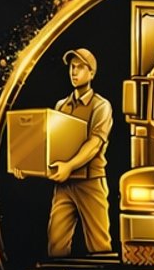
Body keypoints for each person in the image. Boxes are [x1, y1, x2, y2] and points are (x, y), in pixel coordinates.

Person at [46, 48, 113, 257]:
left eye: (80, 67)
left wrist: (69, 166)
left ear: (91, 73)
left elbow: (94, 143)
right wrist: (28, 166)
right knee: (55, 245)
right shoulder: (61, 105)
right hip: (64, 184)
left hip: (90, 182)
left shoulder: (101, 106)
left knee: (99, 245)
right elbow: (52, 144)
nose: (74, 72)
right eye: (72, 67)